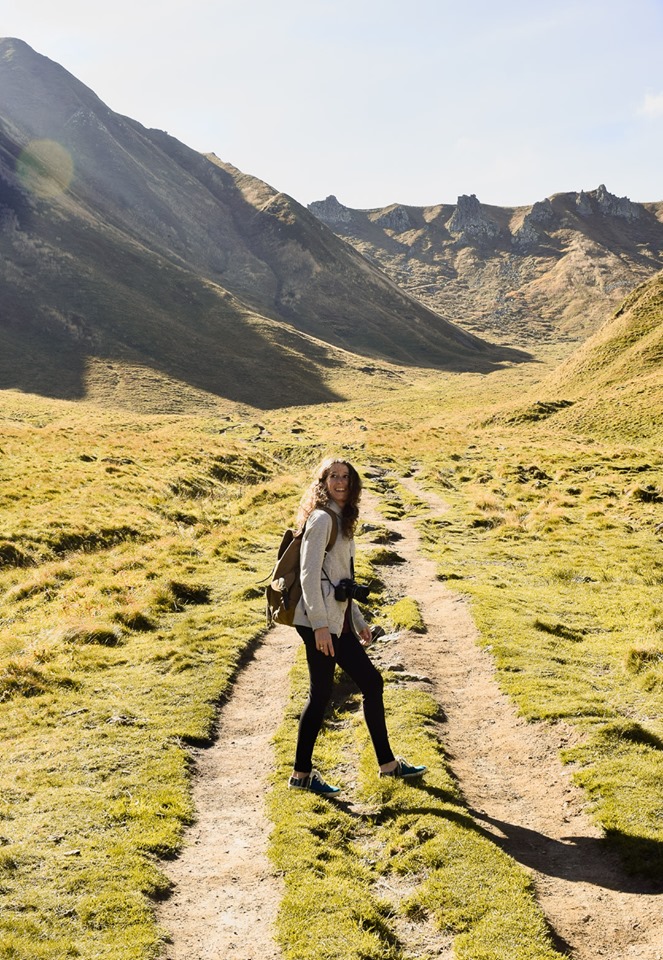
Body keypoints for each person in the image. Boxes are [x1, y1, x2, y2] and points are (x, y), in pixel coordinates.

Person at [288, 456, 426, 796]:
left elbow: (340, 580)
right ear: (322, 482)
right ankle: (303, 776)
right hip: (319, 622)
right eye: (332, 476)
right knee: (326, 694)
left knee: (364, 685)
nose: (339, 482)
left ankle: (385, 766)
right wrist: (320, 626)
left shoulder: (341, 518)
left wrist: (358, 619)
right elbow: (308, 575)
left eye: (345, 476)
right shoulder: (321, 519)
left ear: (353, 483)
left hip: (337, 620)